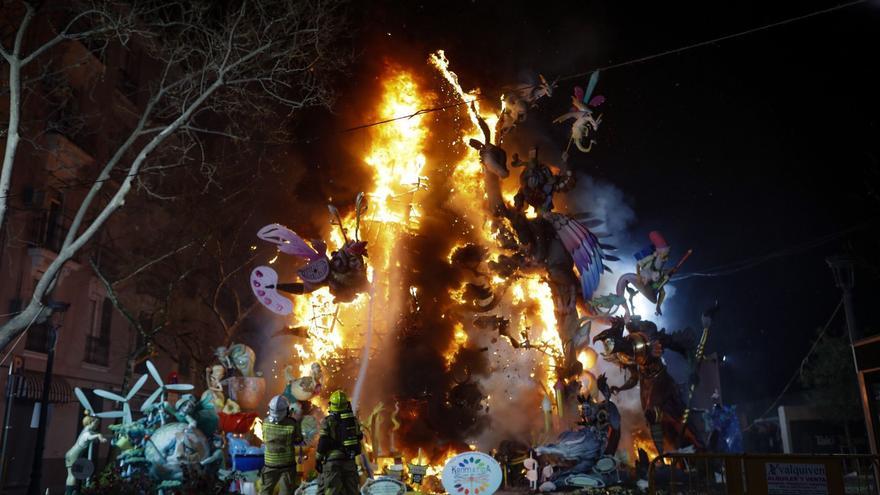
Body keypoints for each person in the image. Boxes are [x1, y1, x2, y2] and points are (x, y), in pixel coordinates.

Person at [315, 390, 363, 495]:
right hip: (349, 461)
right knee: (352, 491)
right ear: (347, 404)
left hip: (333, 463)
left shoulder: (327, 421)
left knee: (332, 491)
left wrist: (318, 459)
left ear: (331, 405)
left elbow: (323, 442)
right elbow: (359, 436)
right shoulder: (353, 421)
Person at [260, 395, 304, 495]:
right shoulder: (292, 424)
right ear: (287, 410)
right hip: (287, 465)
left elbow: (264, 437)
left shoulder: (265, 422)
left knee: (266, 490)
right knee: (286, 491)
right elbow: (298, 439)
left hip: (270, 464)